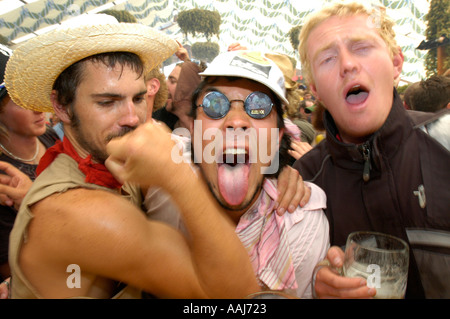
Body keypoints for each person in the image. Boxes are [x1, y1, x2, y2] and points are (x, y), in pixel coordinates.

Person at [4, 15, 261, 299]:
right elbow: (236, 295)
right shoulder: (81, 212)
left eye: (138, 99)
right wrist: (178, 177)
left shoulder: (109, 161)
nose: (132, 118)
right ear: (61, 107)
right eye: (107, 102)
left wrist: (276, 174)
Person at [293, 1, 450, 299]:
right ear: (315, 90)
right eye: (327, 58)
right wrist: (314, 283)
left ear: (396, 64)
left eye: (362, 47)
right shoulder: (304, 182)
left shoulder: (445, 140)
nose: (348, 64)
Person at [151, 50, 330, 298]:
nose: (236, 121)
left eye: (259, 107)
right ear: (193, 129)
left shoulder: (301, 223)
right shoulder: (159, 184)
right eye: (215, 104)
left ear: (277, 138)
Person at [0, 44, 60, 287]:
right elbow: (12, 268)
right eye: (23, 101)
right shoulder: (4, 176)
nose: (38, 107)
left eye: (35, 94)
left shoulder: (50, 136)